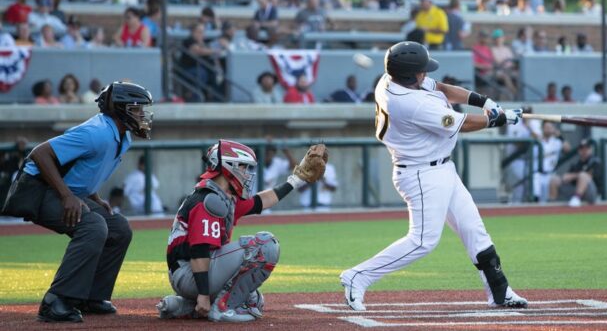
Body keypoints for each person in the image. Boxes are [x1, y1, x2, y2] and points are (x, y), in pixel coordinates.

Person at [340, 41, 526, 312]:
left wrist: (484, 101)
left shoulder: (392, 80)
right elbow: (461, 123)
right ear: (407, 74)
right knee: (423, 241)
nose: (426, 74)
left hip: (441, 169)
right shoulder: (410, 104)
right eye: (421, 71)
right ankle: (358, 276)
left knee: (474, 230)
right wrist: (498, 119)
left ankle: (500, 292)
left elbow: (442, 88)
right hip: (421, 173)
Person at [1, 82, 152, 322]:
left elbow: (84, 168)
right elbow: (40, 153)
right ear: (121, 108)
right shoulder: (97, 132)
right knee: (93, 226)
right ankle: (56, 301)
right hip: (38, 191)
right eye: (137, 108)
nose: (142, 114)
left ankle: (92, 297)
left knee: (118, 228)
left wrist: (93, 196)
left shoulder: (122, 137)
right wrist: (67, 196)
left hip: (65, 191)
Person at [156, 140, 327, 322]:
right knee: (265, 245)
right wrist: (203, 294)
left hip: (190, 272)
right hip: (189, 272)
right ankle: (221, 309)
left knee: (254, 300)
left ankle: (181, 306)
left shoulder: (220, 196)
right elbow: (199, 252)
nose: (247, 174)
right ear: (230, 166)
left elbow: (262, 201)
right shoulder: (208, 200)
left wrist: (296, 180)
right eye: (244, 168)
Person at [549, 138, 601, 207]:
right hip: (575, 191)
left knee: (583, 175)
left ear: (590, 150)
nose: (584, 151)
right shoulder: (576, 164)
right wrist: (569, 177)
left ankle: (576, 198)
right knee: (554, 179)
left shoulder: (595, 161)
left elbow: (589, 176)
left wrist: (574, 176)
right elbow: (566, 177)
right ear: (579, 150)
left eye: (586, 149)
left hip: (591, 193)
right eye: (582, 149)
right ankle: (552, 205)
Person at [534, 122, 570, 203]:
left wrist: (560, 136)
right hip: (537, 174)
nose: (549, 129)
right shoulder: (536, 141)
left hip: (550, 174)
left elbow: (567, 149)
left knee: (547, 201)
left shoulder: (556, 142)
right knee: (536, 198)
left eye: (551, 127)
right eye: (546, 127)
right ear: (542, 128)